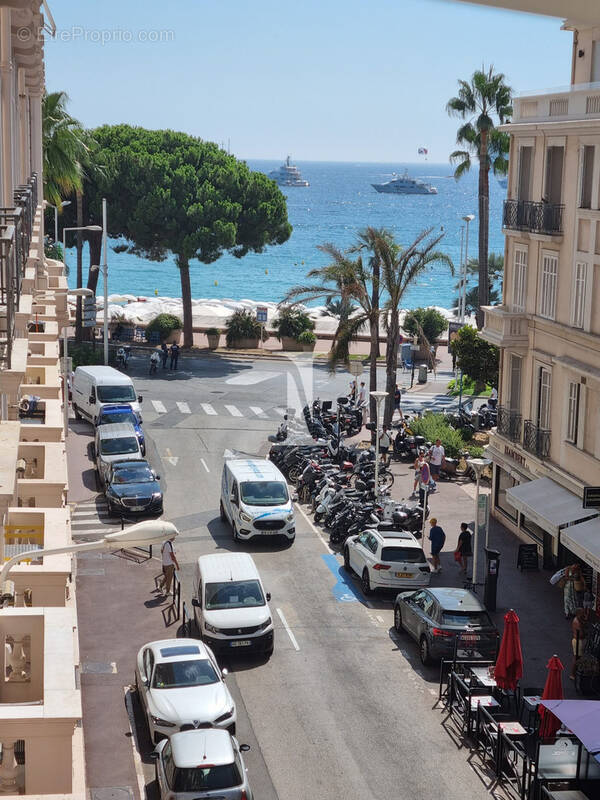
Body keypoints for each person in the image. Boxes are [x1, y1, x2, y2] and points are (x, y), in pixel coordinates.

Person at [570, 608, 588, 680]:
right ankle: (572, 674)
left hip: (579, 640)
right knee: (576, 657)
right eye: (582, 613)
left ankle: (575, 672)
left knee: (578, 657)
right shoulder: (577, 622)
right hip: (578, 641)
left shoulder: (578, 619)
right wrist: (584, 631)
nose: (583, 614)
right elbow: (580, 634)